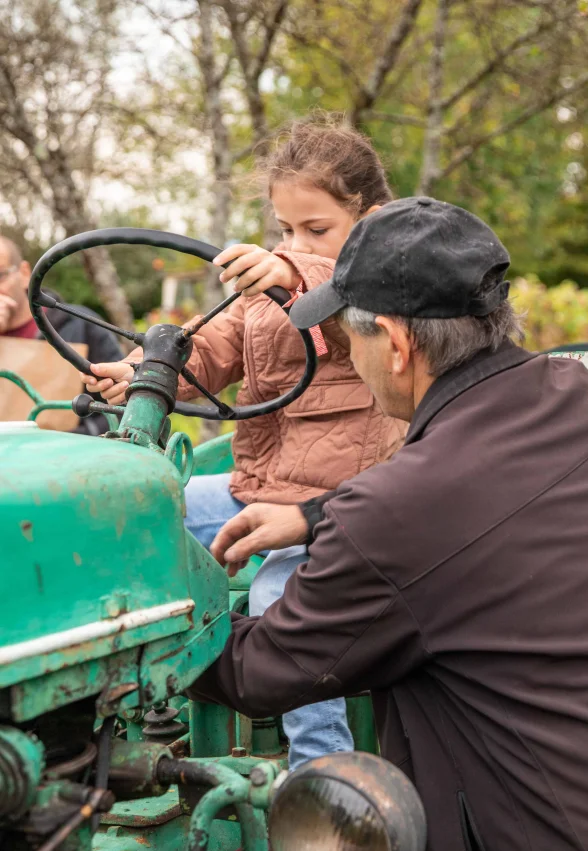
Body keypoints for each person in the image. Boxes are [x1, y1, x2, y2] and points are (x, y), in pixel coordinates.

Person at [191, 197, 588, 851]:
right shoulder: (574, 400)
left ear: (395, 344)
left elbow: (261, 669)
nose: (347, 352)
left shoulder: (400, 513)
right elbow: (471, 502)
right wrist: (315, 514)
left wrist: (151, 620)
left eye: (348, 333)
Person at [81, 118, 405, 775]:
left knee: (280, 606)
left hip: (336, 505)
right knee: (138, 517)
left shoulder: (388, 286)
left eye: (316, 229)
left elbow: (343, 296)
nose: (295, 243)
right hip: (257, 484)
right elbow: (208, 350)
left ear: (369, 222)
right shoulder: (259, 300)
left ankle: (323, 776)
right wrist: (146, 372)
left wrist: (292, 268)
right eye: (285, 229)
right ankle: (142, 705)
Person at [0, 234, 122, 435]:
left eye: (0, 276)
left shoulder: (82, 326)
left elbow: (123, 406)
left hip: (73, 452)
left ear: (24, 273)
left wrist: (76, 438)